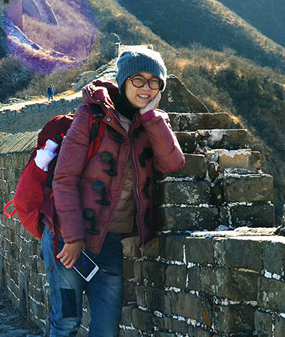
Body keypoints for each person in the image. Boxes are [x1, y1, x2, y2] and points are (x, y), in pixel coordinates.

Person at [39, 46, 185, 336]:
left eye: (153, 81)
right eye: (138, 79)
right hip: (67, 240)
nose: (146, 87)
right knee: (66, 321)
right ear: (123, 80)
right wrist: (73, 237)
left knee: (106, 330)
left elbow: (172, 163)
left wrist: (150, 116)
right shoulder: (91, 116)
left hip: (109, 245)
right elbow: (64, 179)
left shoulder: (153, 123)